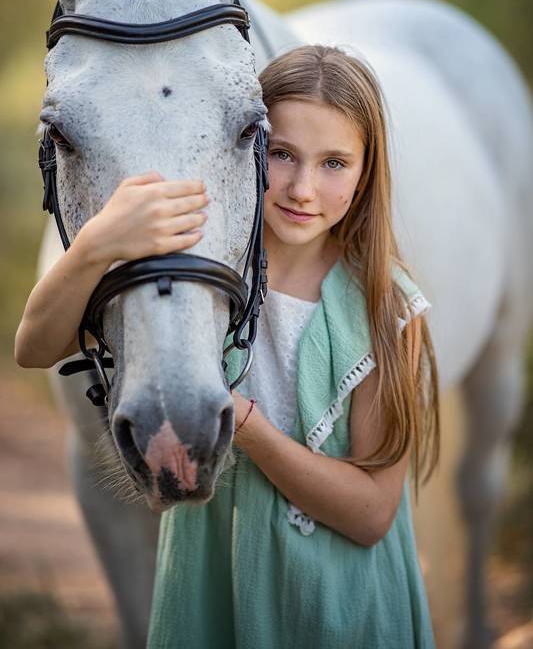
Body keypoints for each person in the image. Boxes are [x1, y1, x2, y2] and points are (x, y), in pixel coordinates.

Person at [15, 45, 440, 648]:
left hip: (339, 609)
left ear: (366, 174)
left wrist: (246, 426)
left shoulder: (384, 307)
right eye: (283, 153)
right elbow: (34, 348)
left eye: (334, 163)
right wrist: (97, 243)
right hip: (218, 590)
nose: (302, 188)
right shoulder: (199, 270)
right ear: (247, 148)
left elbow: (372, 515)